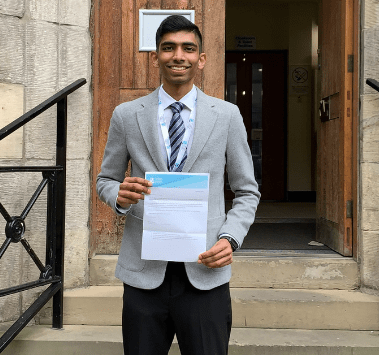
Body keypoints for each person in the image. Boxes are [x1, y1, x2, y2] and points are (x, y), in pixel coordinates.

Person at [96, 15, 260, 355]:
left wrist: (231, 238)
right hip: (144, 273)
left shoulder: (227, 115)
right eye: (168, 48)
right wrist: (120, 197)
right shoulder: (127, 115)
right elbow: (105, 180)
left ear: (201, 59)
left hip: (204, 271)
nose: (178, 56)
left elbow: (246, 190)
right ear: (155, 57)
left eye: (188, 48)